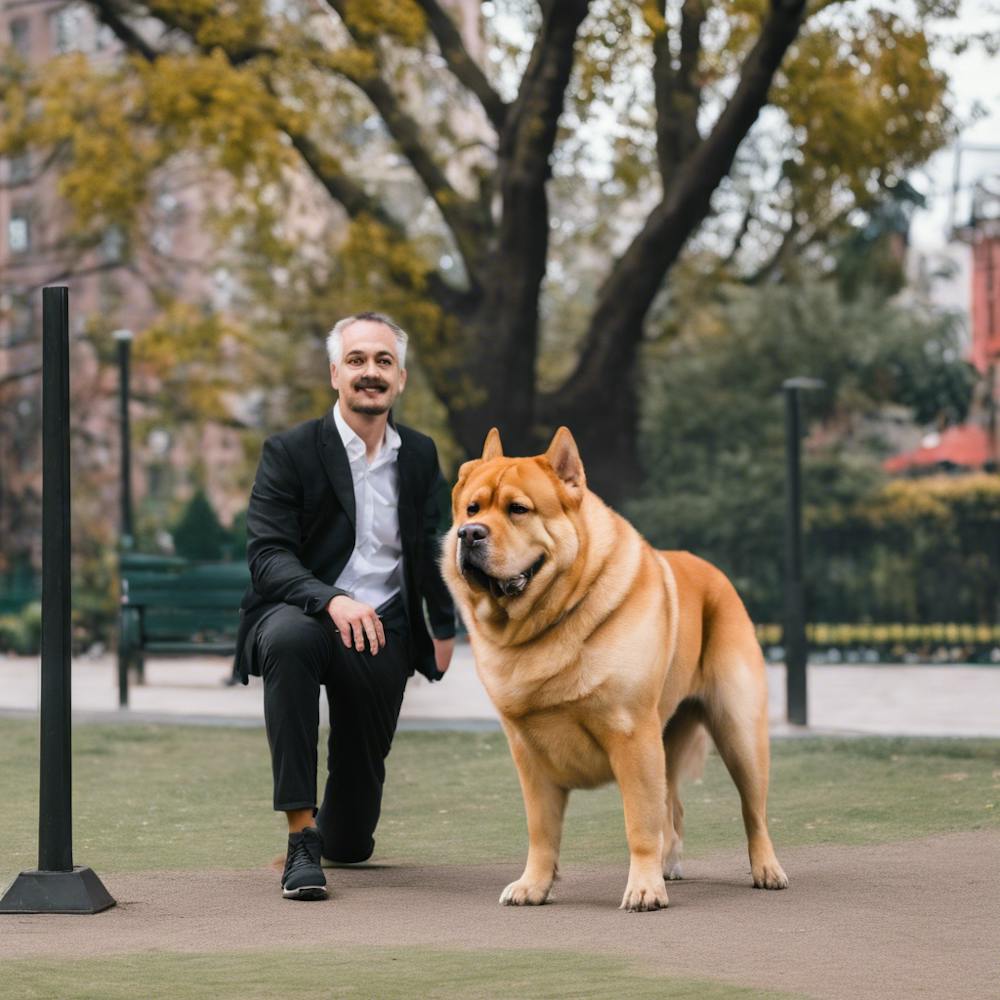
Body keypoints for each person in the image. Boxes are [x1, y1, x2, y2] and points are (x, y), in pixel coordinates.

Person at [234, 311, 456, 900]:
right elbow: (268, 557)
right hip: (300, 613)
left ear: (400, 378)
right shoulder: (290, 451)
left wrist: (445, 624)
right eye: (357, 360)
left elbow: (433, 545)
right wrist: (331, 600)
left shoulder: (419, 456)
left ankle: (333, 833)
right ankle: (301, 838)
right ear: (336, 373)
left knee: (354, 840)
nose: (370, 372)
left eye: (383, 361)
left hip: (383, 630)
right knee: (289, 639)